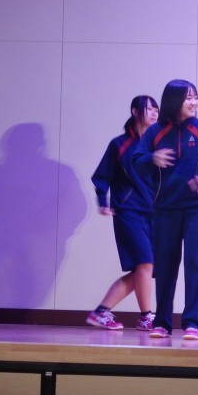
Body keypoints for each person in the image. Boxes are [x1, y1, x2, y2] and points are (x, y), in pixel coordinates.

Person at [132, 79, 198, 340]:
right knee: (165, 266)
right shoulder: (155, 132)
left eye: (196, 97)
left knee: (197, 264)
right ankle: (162, 322)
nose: (194, 102)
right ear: (174, 101)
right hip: (165, 209)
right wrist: (152, 158)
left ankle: (193, 323)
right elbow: (136, 160)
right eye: (188, 98)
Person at [87, 95, 160, 330]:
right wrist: (103, 201)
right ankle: (147, 317)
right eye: (149, 108)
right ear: (135, 111)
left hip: (155, 213)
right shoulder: (119, 144)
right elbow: (102, 175)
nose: (154, 113)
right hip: (128, 211)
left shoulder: (159, 144)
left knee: (145, 269)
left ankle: (101, 312)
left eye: (156, 109)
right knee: (145, 263)